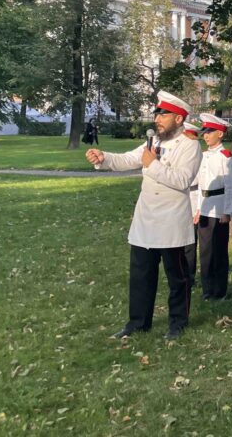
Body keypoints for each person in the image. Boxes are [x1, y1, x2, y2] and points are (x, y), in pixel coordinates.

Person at [86, 91, 202, 341]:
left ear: (179, 119)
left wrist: (152, 164)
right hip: (146, 220)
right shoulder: (153, 141)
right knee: (141, 275)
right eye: (157, 114)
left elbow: (183, 180)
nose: (157, 119)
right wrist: (104, 158)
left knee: (177, 277)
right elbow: (129, 158)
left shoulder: (190, 145)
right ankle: (138, 323)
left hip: (171, 221)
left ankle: (177, 323)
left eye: (163, 115)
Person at [194, 114, 232, 300]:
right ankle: (207, 288)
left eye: (210, 132)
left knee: (218, 250)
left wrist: (226, 211)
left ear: (220, 134)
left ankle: (220, 290)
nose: (206, 136)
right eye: (205, 132)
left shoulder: (225, 157)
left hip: (218, 207)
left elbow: (229, 186)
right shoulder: (204, 156)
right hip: (205, 206)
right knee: (205, 250)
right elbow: (200, 185)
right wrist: (198, 208)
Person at [182, 121, 201, 290]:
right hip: (180, 197)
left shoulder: (197, 154)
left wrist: (199, 208)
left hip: (194, 198)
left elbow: (203, 184)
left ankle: (189, 275)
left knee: (190, 242)